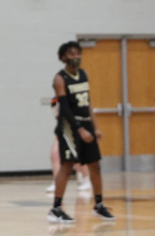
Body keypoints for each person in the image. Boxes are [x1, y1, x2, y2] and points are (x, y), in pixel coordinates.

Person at [48, 41, 115, 223]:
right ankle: (56, 209)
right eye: (71, 54)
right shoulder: (60, 78)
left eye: (78, 54)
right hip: (70, 126)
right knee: (67, 165)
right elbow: (65, 108)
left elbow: (88, 102)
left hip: (86, 124)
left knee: (95, 165)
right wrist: (80, 129)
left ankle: (99, 205)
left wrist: (95, 126)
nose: (76, 57)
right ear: (63, 57)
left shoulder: (83, 74)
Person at [46, 96, 91, 194]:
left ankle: (85, 179)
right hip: (64, 128)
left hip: (77, 128)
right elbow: (56, 114)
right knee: (55, 155)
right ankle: (57, 182)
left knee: (77, 156)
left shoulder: (77, 95)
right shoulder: (57, 99)